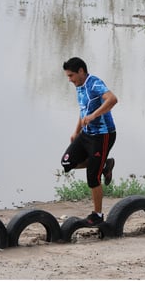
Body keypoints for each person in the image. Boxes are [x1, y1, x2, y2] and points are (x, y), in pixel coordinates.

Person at [61, 57, 117, 226]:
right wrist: (76, 131)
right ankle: (104, 164)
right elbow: (83, 110)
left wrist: (94, 116)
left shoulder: (94, 83)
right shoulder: (79, 86)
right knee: (67, 162)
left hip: (103, 134)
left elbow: (112, 99)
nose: (69, 80)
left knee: (92, 177)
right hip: (86, 134)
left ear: (81, 71)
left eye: (71, 76)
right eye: (68, 76)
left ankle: (98, 215)